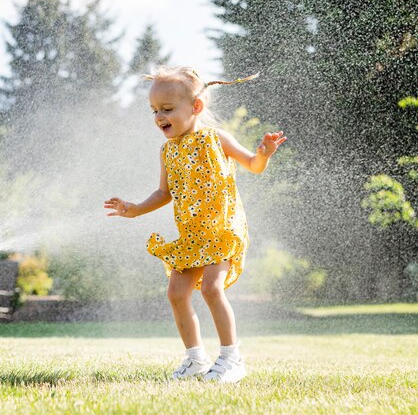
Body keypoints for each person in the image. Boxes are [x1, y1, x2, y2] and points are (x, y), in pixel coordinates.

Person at [104, 66, 286, 382]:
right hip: (192, 234)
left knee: (213, 289)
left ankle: (232, 358)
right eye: (155, 111)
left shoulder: (217, 139)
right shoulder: (167, 151)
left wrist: (264, 154)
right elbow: (164, 193)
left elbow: (254, 166)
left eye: (167, 109)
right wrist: (133, 209)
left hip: (222, 229)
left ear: (196, 107)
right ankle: (195, 359)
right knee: (176, 293)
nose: (159, 117)